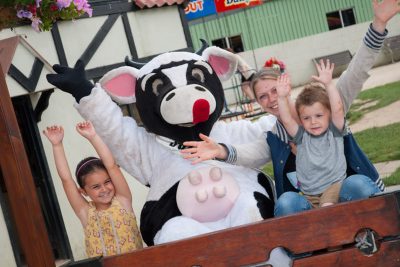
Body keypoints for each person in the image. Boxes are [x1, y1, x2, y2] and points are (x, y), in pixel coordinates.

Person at [181, 0, 399, 216]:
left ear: (285, 85)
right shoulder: (277, 134)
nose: (271, 99)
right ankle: (306, 249)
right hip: (312, 203)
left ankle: (380, 235)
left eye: (275, 91)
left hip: (348, 192)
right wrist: (221, 150)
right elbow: (252, 153)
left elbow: (357, 71)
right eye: (263, 96)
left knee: (357, 185)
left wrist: (378, 24)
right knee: (286, 202)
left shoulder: (324, 104)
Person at [43, 121, 143, 257]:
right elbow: (66, 180)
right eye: (96, 186)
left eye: (107, 182)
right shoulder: (85, 213)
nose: (104, 189)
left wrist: (93, 136)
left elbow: (112, 166)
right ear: (83, 192)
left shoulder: (123, 201)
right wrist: (57, 145)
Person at [275, 60, 347, 208]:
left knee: (326, 207)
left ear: (329, 114)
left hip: (333, 186)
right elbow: (287, 120)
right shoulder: (302, 136)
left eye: (319, 116)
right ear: (301, 119)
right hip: (309, 193)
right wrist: (282, 98)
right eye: (306, 118)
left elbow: (338, 109)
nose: (313, 122)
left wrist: (329, 84)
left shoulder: (334, 131)